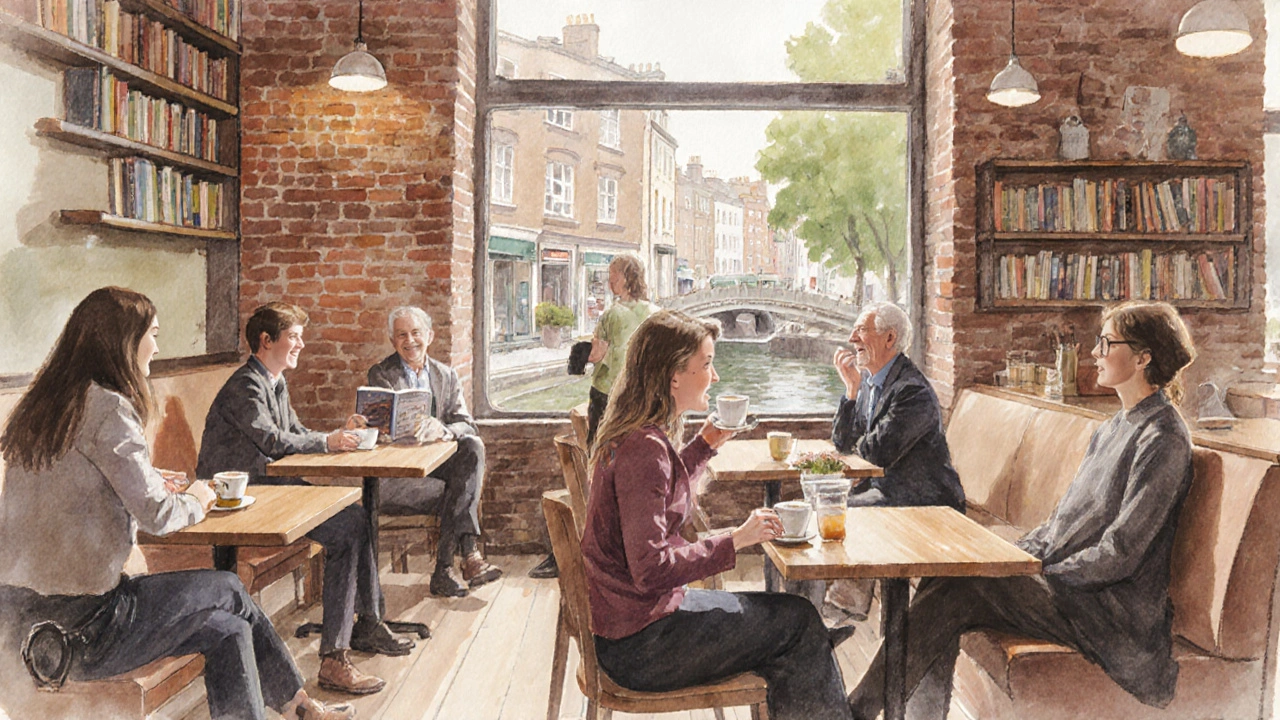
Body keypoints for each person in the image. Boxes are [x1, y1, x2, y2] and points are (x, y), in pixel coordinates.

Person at [0, 287, 353, 720]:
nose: (156, 347)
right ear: (124, 342)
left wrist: (147, 480)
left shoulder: (44, 408)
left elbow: (77, 491)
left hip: (18, 621)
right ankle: (301, 705)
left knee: (228, 627)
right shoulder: (110, 409)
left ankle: (298, 707)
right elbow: (159, 516)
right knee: (228, 588)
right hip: (86, 628)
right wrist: (197, 497)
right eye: (153, 335)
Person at [847, 301, 1197, 720]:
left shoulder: (1163, 437)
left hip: (1112, 615)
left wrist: (1040, 571)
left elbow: (1121, 552)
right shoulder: (1112, 428)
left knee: (962, 586)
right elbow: (1063, 524)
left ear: (1143, 358)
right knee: (948, 572)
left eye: (1106, 343)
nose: (1094, 353)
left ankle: (857, 711)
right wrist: (1014, 556)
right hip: (1073, 590)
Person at [581, 309, 853, 720]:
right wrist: (736, 540)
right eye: (707, 364)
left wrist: (705, 444)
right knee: (798, 624)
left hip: (634, 626)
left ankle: (817, 674)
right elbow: (651, 570)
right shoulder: (645, 450)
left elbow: (661, 496)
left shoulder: (637, 437)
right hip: (643, 646)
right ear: (674, 376)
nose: (716, 376)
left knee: (796, 625)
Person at [197, 302, 412, 696]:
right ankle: (334, 658)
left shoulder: (275, 382)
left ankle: (364, 624)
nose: (301, 344)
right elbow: (273, 441)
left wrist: (339, 435)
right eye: (293, 336)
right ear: (266, 340)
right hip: (237, 501)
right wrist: (327, 442)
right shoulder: (246, 385)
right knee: (349, 526)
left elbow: (295, 431)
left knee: (354, 520)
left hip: (268, 490)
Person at [824, 302, 965, 622]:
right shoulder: (870, 382)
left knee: (841, 512)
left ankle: (841, 608)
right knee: (829, 507)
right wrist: (851, 390)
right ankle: (832, 609)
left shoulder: (912, 391)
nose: (852, 338)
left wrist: (856, 452)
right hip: (889, 491)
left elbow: (874, 454)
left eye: (861, 330)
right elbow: (843, 443)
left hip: (929, 502)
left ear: (889, 338)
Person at [529, 253, 656, 580]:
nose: (610, 281)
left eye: (614, 276)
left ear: (627, 278)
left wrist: (578, 354)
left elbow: (598, 353)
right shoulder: (654, 313)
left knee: (598, 474)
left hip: (607, 399)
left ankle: (578, 553)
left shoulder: (613, 314)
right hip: (640, 401)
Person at [365, 306, 501, 598]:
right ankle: (461, 560)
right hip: (399, 477)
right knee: (459, 489)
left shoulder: (445, 375)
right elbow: (377, 427)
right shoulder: (381, 374)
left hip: (435, 470)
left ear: (430, 336)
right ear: (392, 341)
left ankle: (449, 567)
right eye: (401, 335)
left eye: (416, 333)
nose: (410, 341)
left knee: (472, 447)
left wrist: (443, 429)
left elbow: (467, 424)